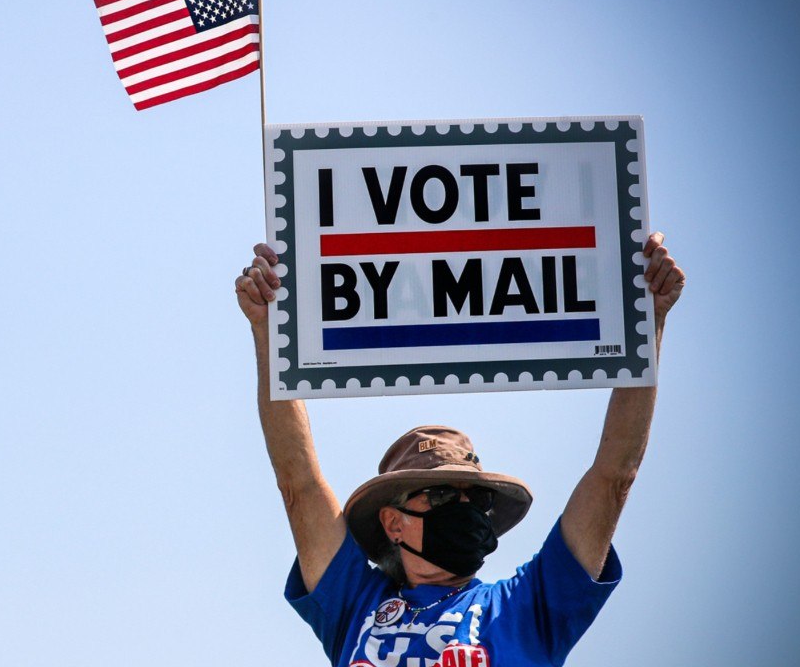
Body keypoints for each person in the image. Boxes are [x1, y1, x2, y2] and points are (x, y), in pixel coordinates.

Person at [233, 233, 685, 667]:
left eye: (478, 498)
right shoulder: (352, 603)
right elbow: (299, 484)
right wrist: (269, 333)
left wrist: (649, 322)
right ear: (393, 522)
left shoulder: (531, 605)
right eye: (446, 495)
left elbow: (614, 477)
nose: (467, 507)